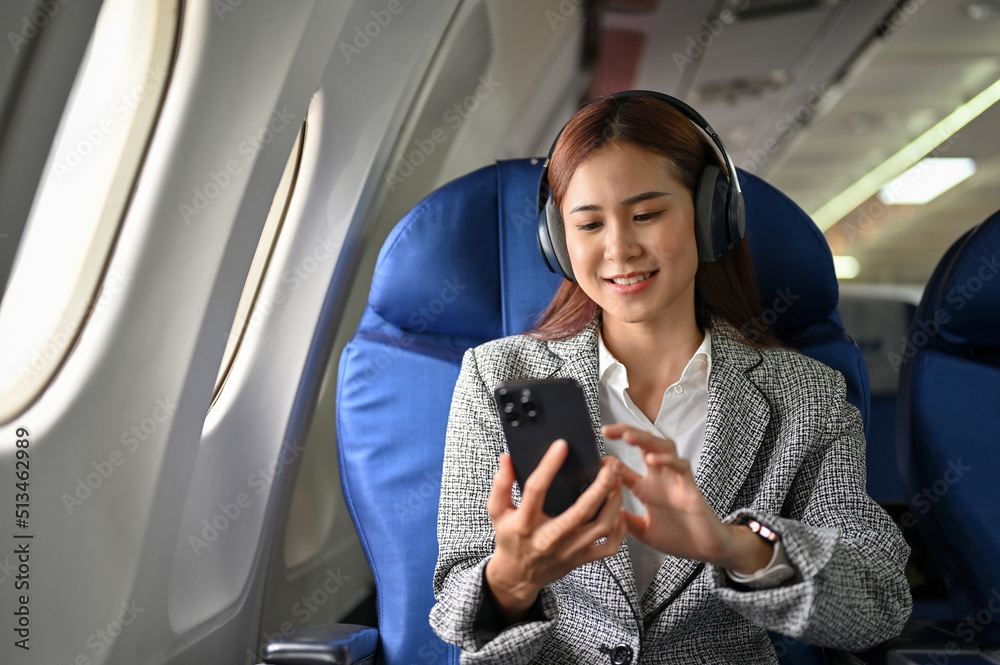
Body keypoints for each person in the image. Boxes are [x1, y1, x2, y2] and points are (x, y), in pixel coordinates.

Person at [430, 91, 911, 664]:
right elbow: (455, 596)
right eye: (588, 225)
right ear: (558, 243)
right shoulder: (498, 376)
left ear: (712, 218)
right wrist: (511, 580)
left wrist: (733, 546)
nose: (619, 249)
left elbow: (879, 599)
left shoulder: (803, 395)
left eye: (647, 215)